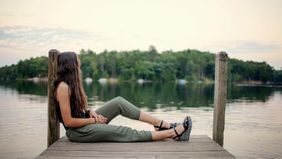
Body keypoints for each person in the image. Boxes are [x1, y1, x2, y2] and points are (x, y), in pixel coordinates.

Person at [54, 52, 192, 142]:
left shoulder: (72, 85)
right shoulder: (63, 88)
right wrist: (92, 121)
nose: (79, 66)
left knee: (118, 102)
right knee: (122, 131)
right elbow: (69, 122)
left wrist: (91, 112)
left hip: (85, 121)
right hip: (78, 132)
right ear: (71, 66)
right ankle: (172, 133)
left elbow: (77, 109)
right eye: (77, 63)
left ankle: (161, 124)